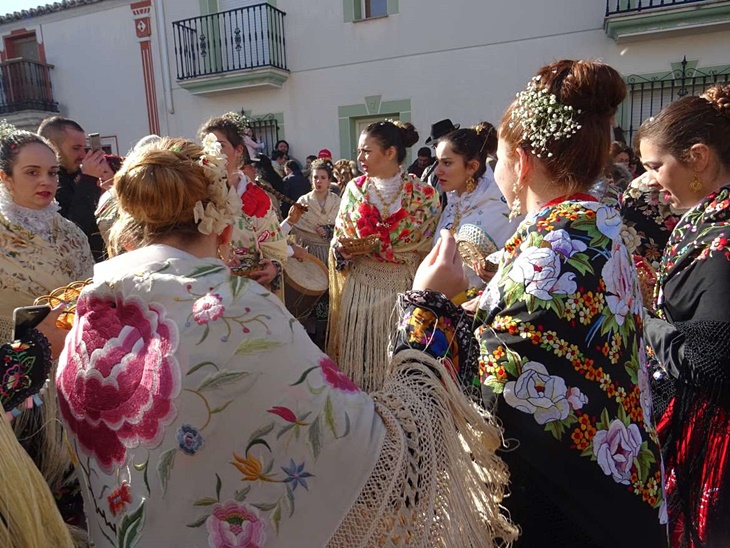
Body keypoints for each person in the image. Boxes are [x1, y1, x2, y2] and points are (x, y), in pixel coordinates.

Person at [55, 136, 516, 547]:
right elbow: (379, 455)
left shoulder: (86, 320)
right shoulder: (235, 309)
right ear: (225, 228)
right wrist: (429, 308)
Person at [403, 60, 666, 546]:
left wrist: (430, 302)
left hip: (566, 511)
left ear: (521, 162)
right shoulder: (599, 226)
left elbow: (480, 398)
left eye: (500, 156)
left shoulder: (550, 252)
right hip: (617, 491)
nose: (499, 168)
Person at [636, 83, 730, 547]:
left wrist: (645, 319)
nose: (648, 180)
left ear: (698, 157)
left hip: (712, 435)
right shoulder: (704, 218)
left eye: (655, 166)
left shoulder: (721, 240)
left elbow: (708, 359)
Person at [0, 129, 92, 543]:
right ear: (5, 177)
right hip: (18, 392)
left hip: (76, 375)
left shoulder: (70, 232)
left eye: (52, 172)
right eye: (32, 172)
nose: (46, 182)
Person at [328, 121, 441, 391]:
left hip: (401, 289)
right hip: (360, 288)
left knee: (395, 361)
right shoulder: (354, 189)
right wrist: (342, 249)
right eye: (359, 151)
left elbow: (429, 246)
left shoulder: (425, 195)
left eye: (367, 151)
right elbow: (339, 236)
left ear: (390, 152)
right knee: (360, 362)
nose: (360, 158)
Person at [199, 113, 287, 291]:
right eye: (208, 146)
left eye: (221, 145)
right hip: (208, 287)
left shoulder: (258, 198)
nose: (213, 152)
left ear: (238, 150)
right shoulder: (197, 194)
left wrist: (273, 267)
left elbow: (275, 248)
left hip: (250, 285)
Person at [433, 123, 520, 289]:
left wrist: (501, 273)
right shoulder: (453, 202)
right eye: (437, 162)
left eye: (447, 163)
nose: (437, 171)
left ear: (472, 167)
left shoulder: (502, 205)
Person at [38, 116, 106, 261]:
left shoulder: (78, 174)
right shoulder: (43, 183)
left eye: (84, 148)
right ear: (52, 146)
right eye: (76, 148)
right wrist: (88, 180)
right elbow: (74, 228)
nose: (83, 155)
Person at [284, 158, 341, 264]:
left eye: (323, 178)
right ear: (311, 179)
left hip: (333, 253)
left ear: (329, 180)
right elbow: (296, 227)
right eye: (315, 177)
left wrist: (329, 230)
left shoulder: (337, 201)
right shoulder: (303, 201)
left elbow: (343, 226)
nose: (318, 181)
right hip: (309, 253)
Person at [94, 154, 124, 245]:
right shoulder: (101, 196)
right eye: (99, 171)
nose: (100, 175)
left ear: (116, 173)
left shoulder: (122, 198)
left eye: (105, 172)